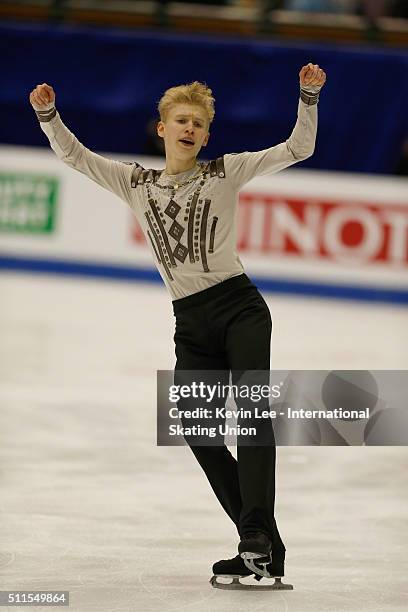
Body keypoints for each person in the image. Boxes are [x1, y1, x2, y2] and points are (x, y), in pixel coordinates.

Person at [29, 62, 326, 587]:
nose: (189, 129)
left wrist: (307, 97)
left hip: (240, 310)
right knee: (197, 429)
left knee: (253, 417)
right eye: (181, 120)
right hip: (190, 322)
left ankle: (255, 535)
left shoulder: (225, 171)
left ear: (207, 135)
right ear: (162, 128)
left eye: (198, 124)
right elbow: (74, 156)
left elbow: (297, 149)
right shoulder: (135, 183)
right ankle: (263, 544)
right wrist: (49, 115)